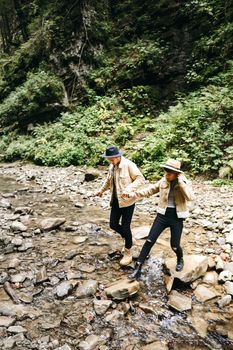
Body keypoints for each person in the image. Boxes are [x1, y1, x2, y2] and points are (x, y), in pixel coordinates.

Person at [122, 158, 195, 279]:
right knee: (149, 241)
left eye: (170, 173)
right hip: (162, 216)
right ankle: (138, 268)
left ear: (177, 174)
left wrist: (181, 183)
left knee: (175, 245)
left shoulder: (184, 183)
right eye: (166, 171)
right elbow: (149, 190)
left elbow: (191, 197)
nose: (167, 175)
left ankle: (180, 258)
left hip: (176, 218)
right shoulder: (163, 180)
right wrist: (133, 194)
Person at [96, 145, 145, 266]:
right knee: (113, 224)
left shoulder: (129, 165)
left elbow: (140, 179)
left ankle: (128, 252)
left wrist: (129, 189)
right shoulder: (111, 166)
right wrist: (101, 190)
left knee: (125, 226)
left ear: (118, 156)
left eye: (112, 159)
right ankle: (129, 239)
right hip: (116, 200)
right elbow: (108, 180)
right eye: (108, 159)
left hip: (128, 201)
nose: (110, 161)